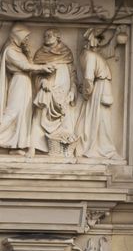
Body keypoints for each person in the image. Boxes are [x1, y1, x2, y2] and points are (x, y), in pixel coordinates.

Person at [31, 29, 79, 157]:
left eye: (49, 35)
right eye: (45, 35)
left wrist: (73, 91)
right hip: (48, 91)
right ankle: (37, 146)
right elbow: (35, 75)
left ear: (57, 37)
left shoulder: (66, 53)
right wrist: (42, 82)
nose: (46, 37)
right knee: (40, 114)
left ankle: (64, 149)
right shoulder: (40, 54)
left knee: (65, 117)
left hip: (64, 94)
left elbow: (73, 75)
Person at [76, 28, 120, 160]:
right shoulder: (90, 55)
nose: (100, 42)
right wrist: (86, 93)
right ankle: (105, 149)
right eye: (99, 39)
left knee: (98, 119)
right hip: (99, 88)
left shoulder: (92, 54)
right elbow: (88, 78)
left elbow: (108, 51)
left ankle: (103, 148)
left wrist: (117, 35)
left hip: (100, 87)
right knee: (101, 119)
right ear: (93, 41)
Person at [0, 25, 45, 152]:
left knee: (24, 113)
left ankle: (16, 145)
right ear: (17, 36)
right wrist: (43, 67)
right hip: (18, 82)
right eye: (25, 37)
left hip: (25, 83)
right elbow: (25, 66)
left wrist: (27, 52)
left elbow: (28, 64)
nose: (27, 40)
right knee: (13, 112)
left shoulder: (18, 50)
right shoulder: (10, 51)